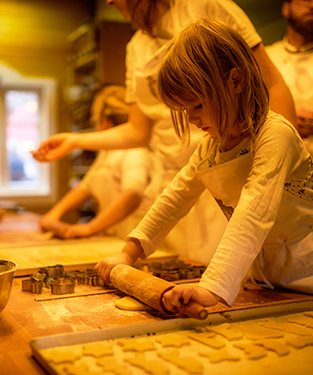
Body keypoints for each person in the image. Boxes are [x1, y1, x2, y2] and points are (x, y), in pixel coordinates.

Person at [32, 0, 297, 263]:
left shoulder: (207, 6)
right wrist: (75, 140)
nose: (110, 2)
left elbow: (271, 84)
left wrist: (279, 158)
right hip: (171, 178)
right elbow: (138, 131)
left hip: (230, 176)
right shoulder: (135, 47)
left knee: (227, 272)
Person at [95, 19, 313, 312]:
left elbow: (253, 213)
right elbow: (174, 199)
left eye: (196, 105)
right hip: (267, 280)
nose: (191, 119)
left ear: (235, 81)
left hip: (306, 276)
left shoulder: (275, 135)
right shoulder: (212, 147)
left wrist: (213, 287)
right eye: (184, 109)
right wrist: (128, 253)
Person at [39, 85, 152, 240]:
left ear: (104, 121)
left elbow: (133, 194)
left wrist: (90, 228)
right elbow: (85, 188)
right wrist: (53, 215)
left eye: (95, 120)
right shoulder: (106, 153)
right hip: (114, 240)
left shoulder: (134, 151)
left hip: (136, 242)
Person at [266, 0, 313, 153]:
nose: (311, 5)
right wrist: (285, 118)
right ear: (286, 8)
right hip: (282, 156)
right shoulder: (267, 57)